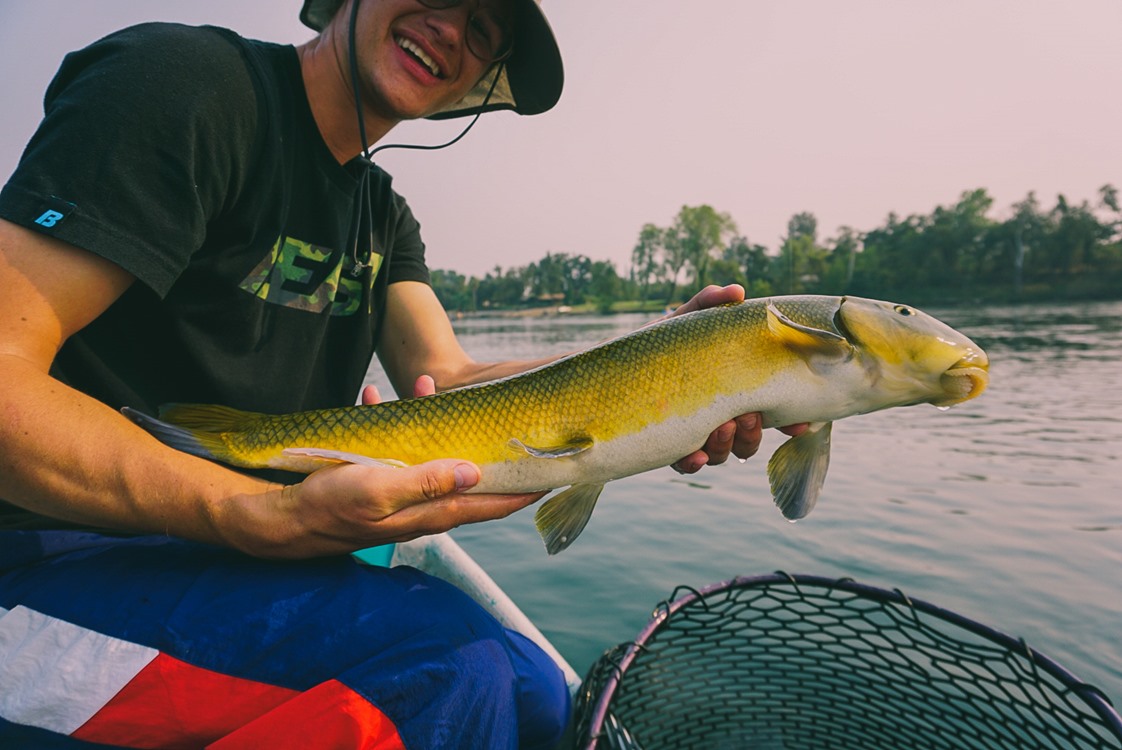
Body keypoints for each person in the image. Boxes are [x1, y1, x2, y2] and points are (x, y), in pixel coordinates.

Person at [0, 0, 789, 747]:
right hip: (46, 553)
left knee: (536, 694)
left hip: (234, 560)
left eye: (484, 27)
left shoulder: (381, 211)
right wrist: (254, 513)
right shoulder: (183, 84)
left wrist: (664, 358)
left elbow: (448, 374)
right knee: (451, 670)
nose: (450, 27)